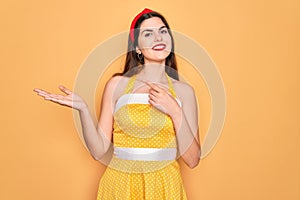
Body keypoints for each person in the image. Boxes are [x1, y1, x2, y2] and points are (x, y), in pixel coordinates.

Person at [34, 8, 201, 200]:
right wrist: (83, 109)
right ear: (137, 48)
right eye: (148, 34)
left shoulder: (184, 92)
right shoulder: (116, 85)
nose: (158, 38)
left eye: (163, 31)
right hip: (120, 184)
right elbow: (98, 151)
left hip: (164, 185)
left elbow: (193, 160)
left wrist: (175, 110)